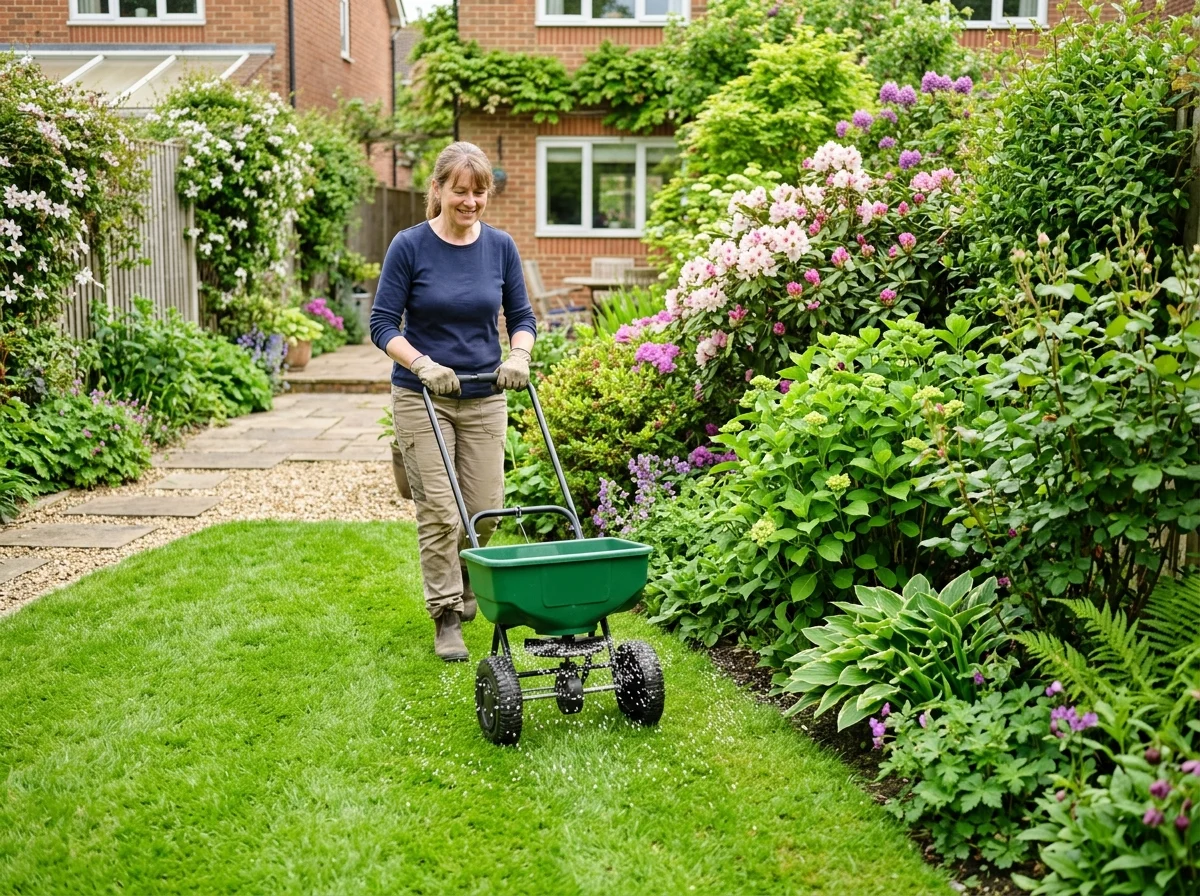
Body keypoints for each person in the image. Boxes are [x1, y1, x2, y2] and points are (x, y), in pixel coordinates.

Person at [370, 142, 537, 662]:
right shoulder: (410, 246)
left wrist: (520, 356)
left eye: (479, 191)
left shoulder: (501, 247)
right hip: (424, 393)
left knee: (483, 511)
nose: (470, 201)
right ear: (438, 189)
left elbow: (523, 318)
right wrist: (422, 364)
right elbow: (380, 324)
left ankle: (466, 581)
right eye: (460, 191)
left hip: (485, 393)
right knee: (441, 511)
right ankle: (446, 615)